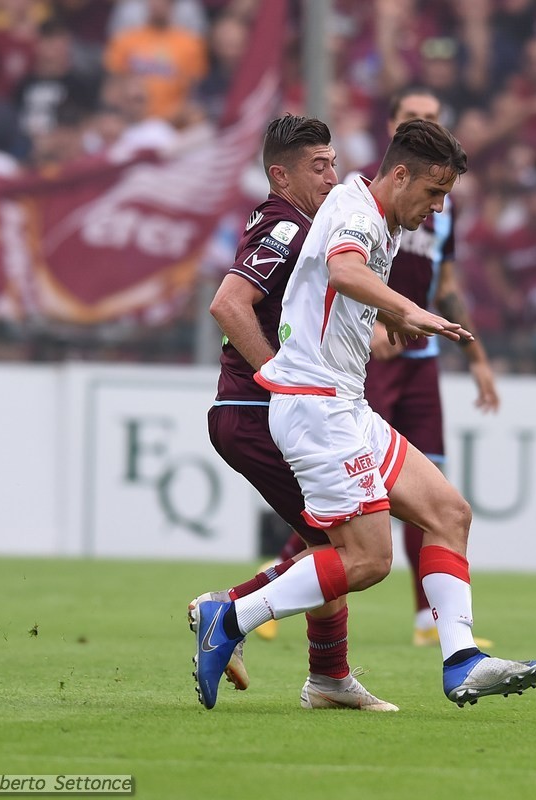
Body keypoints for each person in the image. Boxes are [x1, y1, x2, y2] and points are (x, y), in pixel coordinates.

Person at [191, 119, 536, 710]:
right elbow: (344, 271)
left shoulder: (368, 214)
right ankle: (229, 617)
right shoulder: (356, 212)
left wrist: (392, 320)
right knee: (367, 559)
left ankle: (461, 660)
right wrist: (412, 311)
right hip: (316, 409)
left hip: (346, 404)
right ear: (400, 174)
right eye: (434, 193)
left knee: (448, 513)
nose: (437, 209)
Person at [194, 114, 396, 712]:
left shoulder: (308, 223)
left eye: (334, 162)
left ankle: (328, 677)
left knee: (329, 541)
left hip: (260, 410)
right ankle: (228, 613)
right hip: (255, 411)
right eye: (318, 166)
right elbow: (229, 305)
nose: (333, 175)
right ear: (280, 174)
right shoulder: (284, 226)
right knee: (343, 547)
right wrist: (281, 381)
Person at [360, 87, 499, 647]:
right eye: (414, 120)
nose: (426, 127)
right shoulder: (364, 204)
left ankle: (428, 620)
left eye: (435, 120)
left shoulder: (443, 205)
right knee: (355, 488)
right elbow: (338, 271)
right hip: (371, 356)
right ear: (393, 128)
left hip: (420, 357)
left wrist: (478, 359)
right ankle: (276, 587)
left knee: (433, 488)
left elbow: (446, 285)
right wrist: (371, 324)